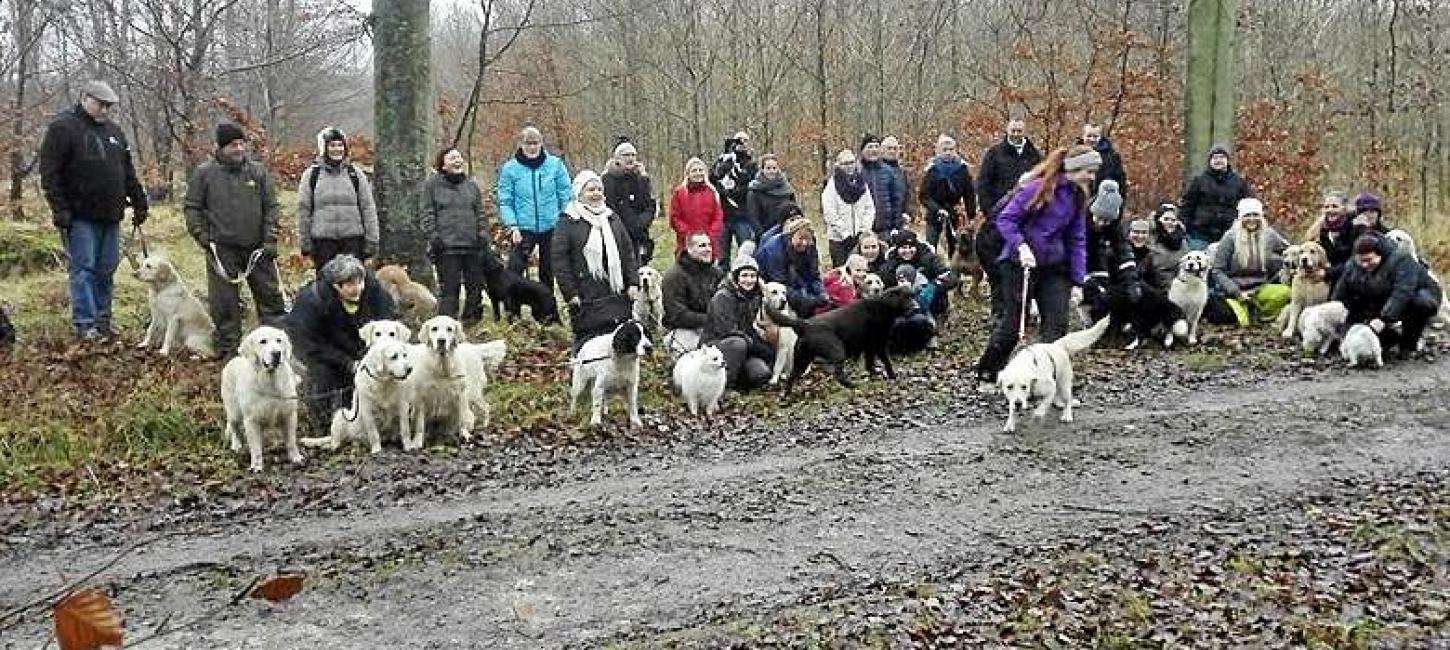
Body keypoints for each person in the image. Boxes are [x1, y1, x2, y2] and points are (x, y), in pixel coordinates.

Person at [974, 145, 1098, 391]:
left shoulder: (1077, 197)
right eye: (1088, 171)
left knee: (1057, 325)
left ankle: (1047, 379)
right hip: (1019, 263)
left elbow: (1077, 238)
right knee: (1013, 324)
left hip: (1054, 266)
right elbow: (1006, 219)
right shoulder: (1036, 188)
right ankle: (988, 372)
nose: (1092, 177)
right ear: (1074, 169)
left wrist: (1078, 279)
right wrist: (1021, 247)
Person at [38, 80, 149, 340]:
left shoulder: (114, 132)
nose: (105, 110)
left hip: (111, 215)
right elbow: (49, 172)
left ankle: (103, 321)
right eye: (101, 104)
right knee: (83, 270)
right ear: (85, 98)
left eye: (109, 105)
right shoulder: (63, 127)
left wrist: (139, 199)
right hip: (79, 216)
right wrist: (59, 209)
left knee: (106, 270)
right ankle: (85, 324)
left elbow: (127, 170)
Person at [184, 123, 286, 358]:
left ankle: (279, 348)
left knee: (271, 300)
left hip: (258, 248)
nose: (239, 148)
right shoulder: (204, 174)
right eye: (233, 145)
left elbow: (271, 207)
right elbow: (192, 207)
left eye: (241, 143)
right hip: (221, 249)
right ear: (220, 147)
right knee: (224, 304)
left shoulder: (258, 172)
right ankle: (229, 351)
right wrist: (202, 236)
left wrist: (270, 239)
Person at [285, 254, 398, 431]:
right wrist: (346, 363)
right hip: (324, 355)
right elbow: (308, 345)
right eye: (350, 285)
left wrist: (369, 355)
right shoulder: (312, 301)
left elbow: (389, 322)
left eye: (360, 282)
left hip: (362, 350)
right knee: (322, 377)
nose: (358, 288)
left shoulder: (375, 292)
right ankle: (322, 425)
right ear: (336, 286)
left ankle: (375, 422)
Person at [552, 170, 640, 353]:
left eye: (599, 189)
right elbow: (560, 260)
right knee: (588, 342)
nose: (596, 193)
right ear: (579, 193)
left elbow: (627, 251)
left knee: (616, 339)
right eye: (591, 190)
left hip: (616, 291)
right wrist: (570, 293)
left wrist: (633, 282)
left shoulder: (612, 217)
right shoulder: (568, 221)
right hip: (585, 294)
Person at [1331, 234, 1442, 359]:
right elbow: (1341, 292)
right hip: (1378, 300)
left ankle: (1409, 345)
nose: (1365, 265)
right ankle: (1390, 338)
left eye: (1369, 260)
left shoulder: (1402, 260)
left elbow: (1402, 292)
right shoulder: (1351, 266)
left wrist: (1384, 319)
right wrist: (1335, 312)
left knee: (1420, 303)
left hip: (1416, 296)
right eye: (1361, 261)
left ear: (1380, 255)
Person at [498, 126, 573, 290]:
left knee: (548, 270)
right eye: (528, 143)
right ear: (520, 144)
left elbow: (565, 194)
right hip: (523, 227)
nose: (532, 147)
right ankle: (513, 310)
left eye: (535, 143)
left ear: (541, 143)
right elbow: (505, 200)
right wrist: (513, 226)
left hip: (551, 225)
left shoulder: (555, 165)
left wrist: (564, 219)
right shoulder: (510, 169)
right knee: (514, 270)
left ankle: (547, 309)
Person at [421, 147, 490, 323]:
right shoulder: (432, 186)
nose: (457, 160)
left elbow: (480, 213)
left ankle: (471, 322)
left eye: (459, 157)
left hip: (472, 246)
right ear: (443, 165)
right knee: (450, 289)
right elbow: (427, 213)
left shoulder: (471, 186)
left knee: (475, 287)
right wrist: (434, 237)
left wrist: (483, 234)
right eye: (452, 158)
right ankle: (446, 323)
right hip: (446, 247)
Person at [297, 127, 380, 272]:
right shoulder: (311, 176)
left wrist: (372, 240)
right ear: (324, 148)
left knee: (353, 285)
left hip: (353, 241)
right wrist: (305, 243)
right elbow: (303, 210)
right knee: (326, 287)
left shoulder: (356, 174)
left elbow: (368, 208)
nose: (337, 149)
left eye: (340, 145)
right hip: (323, 243)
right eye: (332, 145)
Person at [1208, 198, 1291, 325]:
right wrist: (1236, 291)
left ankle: (1261, 316)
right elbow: (1217, 270)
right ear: (1241, 218)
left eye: (1255, 215)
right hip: (1234, 291)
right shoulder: (1230, 237)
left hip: (1260, 288)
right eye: (1247, 215)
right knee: (1240, 321)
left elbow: (1288, 249)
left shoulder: (1269, 235)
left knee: (1285, 293)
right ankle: (1245, 312)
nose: (1252, 219)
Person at [703, 250, 774, 391]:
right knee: (738, 344)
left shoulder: (756, 296)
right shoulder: (722, 297)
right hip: (717, 344)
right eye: (744, 275)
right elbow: (727, 330)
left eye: (753, 276)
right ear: (736, 277)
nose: (749, 280)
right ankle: (724, 387)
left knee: (761, 374)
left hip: (745, 344)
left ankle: (740, 380)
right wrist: (754, 344)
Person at [661, 231, 725, 359]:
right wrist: (710, 319)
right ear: (689, 249)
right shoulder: (674, 276)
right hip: (684, 329)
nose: (708, 249)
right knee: (692, 358)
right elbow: (677, 315)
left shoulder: (717, 273)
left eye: (709, 245)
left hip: (714, 326)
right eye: (702, 246)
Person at [1180, 143, 1254, 249]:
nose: (1218, 160)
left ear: (1228, 160)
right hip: (1200, 234)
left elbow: (1248, 205)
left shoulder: (1239, 182)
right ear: (1210, 161)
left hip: (1230, 233)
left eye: (1222, 157)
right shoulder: (1199, 181)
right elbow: (1187, 205)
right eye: (1215, 157)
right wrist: (1184, 225)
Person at [755, 216, 827, 315]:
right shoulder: (774, 249)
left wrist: (821, 294)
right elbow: (781, 284)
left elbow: (814, 274)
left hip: (796, 279)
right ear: (791, 235)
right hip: (772, 285)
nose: (804, 243)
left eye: (808, 239)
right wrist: (806, 300)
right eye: (801, 238)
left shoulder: (810, 245)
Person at [975, 117, 1043, 221]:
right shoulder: (994, 154)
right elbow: (983, 184)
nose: (1016, 134)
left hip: (1028, 213)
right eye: (1013, 131)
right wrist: (989, 212)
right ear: (1007, 130)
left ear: (1024, 131)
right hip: (1001, 212)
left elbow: (1042, 182)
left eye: (1019, 131)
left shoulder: (1034, 155)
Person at [602, 140, 658, 264]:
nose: (631, 158)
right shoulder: (607, 179)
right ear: (617, 158)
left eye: (633, 155)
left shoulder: (641, 178)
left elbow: (650, 205)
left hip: (639, 234)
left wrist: (642, 223)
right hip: (617, 234)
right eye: (626, 155)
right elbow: (608, 208)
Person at [918, 134, 976, 250]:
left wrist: (971, 215)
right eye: (945, 150)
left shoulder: (962, 169)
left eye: (951, 150)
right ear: (939, 151)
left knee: (955, 246)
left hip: (954, 212)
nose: (948, 153)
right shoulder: (932, 170)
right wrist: (937, 209)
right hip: (934, 213)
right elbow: (924, 196)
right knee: (930, 246)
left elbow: (969, 194)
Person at [709, 130, 759, 264]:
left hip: (742, 215)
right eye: (738, 140)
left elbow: (750, 185)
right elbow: (712, 178)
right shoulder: (724, 160)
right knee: (722, 257)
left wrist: (732, 192)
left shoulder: (751, 165)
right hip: (723, 216)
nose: (741, 144)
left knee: (746, 252)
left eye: (744, 141)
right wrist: (725, 157)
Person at [821, 149, 875, 266]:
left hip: (860, 237)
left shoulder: (862, 184)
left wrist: (864, 230)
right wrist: (845, 234)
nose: (849, 166)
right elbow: (830, 214)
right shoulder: (831, 187)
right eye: (845, 163)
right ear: (838, 165)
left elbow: (869, 208)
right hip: (839, 239)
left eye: (851, 162)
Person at [668, 157, 724, 260]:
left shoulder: (712, 192)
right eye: (694, 171)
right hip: (686, 243)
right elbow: (675, 218)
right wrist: (690, 236)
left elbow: (718, 216)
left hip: (709, 242)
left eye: (700, 170)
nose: (698, 173)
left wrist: (710, 235)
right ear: (688, 174)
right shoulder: (679, 193)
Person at [859, 134, 906, 237]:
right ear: (862, 150)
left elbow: (896, 201)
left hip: (885, 229)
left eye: (876, 146)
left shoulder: (888, 172)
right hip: (862, 229)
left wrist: (896, 226)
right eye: (870, 147)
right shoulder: (857, 172)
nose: (874, 150)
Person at [745, 154, 797, 236]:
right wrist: (763, 235)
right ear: (762, 169)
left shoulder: (787, 188)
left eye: (774, 168)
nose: (771, 171)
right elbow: (753, 217)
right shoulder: (754, 191)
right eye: (768, 168)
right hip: (765, 234)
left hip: (787, 233)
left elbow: (794, 210)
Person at [1306, 190, 1353, 272]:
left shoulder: (1354, 229)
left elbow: (1355, 262)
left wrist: (1328, 273)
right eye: (1326, 207)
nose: (1330, 210)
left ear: (1344, 208)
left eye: (1335, 206)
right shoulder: (1320, 232)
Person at [1146, 204, 1188, 291]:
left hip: (1176, 286)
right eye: (1166, 219)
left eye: (1173, 220)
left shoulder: (1182, 242)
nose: (1170, 223)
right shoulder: (1149, 237)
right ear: (1158, 219)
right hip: (1152, 284)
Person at [1080, 123, 1127, 197]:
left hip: (1103, 203)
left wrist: (1119, 204)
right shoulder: (1073, 155)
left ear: (1100, 137)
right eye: (1089, 136)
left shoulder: (1112, 157)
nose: (1092, 139)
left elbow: (1121, 183)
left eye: (1095, 136)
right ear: (1083, 136)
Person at [882, 135, 915, 223]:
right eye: (889, 148)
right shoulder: (877, 170)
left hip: (900, 218)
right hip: (882, 220)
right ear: (882, 150)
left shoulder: (902, 172)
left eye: (895, 148)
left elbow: (907, 194)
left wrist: (907, 212)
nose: (892, 151)